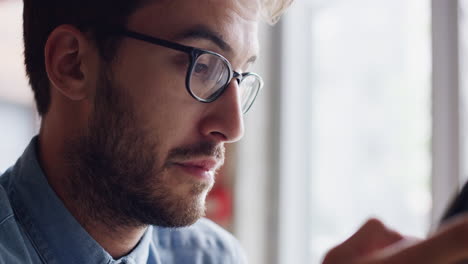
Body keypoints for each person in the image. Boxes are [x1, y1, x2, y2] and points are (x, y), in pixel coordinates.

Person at [3, 1, 468, 264]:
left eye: (240, 76)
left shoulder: (211, 256)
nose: (232, 126)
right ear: (73, 64)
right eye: (203, 64)